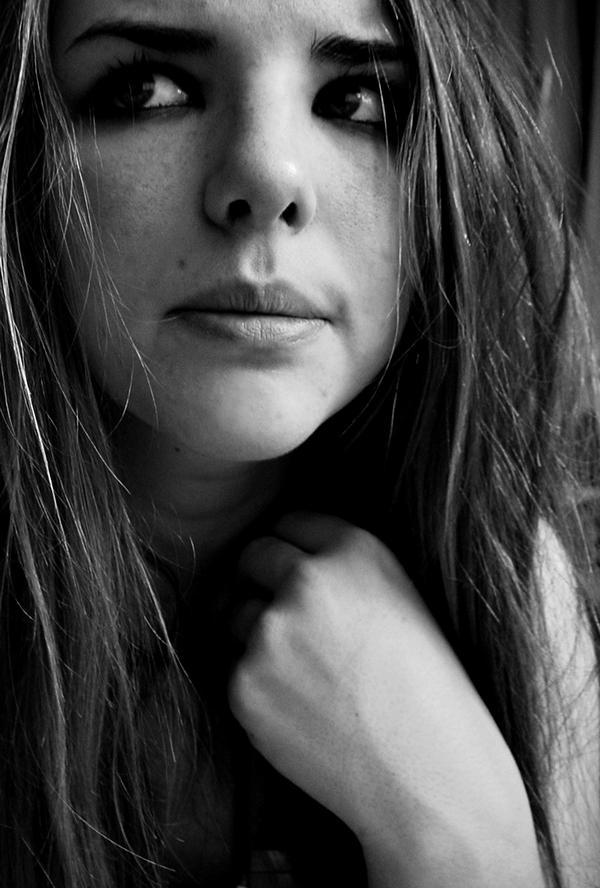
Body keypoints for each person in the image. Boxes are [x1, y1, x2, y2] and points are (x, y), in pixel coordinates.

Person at [0, 0, 598, 885]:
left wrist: (454, 838)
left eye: (357, 101)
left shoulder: (509, 584)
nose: (269, 176)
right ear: (20, 160)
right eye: (147, 89)